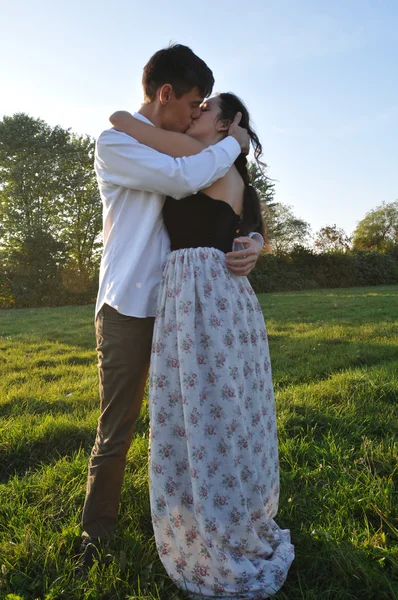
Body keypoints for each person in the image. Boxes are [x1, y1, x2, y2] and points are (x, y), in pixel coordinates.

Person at [78, 44, 263, 569]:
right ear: (166, 95)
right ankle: (97, 535)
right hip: (128, 304)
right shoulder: (117, 144)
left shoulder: (181, 146)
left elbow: (227, 204)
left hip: (184, 308)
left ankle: (191, 521)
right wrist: (237, 143)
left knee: (191, 421)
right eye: (194, 102)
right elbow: (186, 181)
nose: (196, 113)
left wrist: (253, 242)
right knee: (118, 427)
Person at [109, 93, 294, 599]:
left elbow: (133, 127)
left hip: (199, 295)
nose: (195, 114)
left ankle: (211, 511)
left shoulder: (195, 157)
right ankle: (229, 499)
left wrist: (126, 117)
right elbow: (255, 231)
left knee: (205, 406)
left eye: (205, 109)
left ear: (225, 124)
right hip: (224, 298)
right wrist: (256, 242)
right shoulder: (232, 175)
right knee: (227, 406)